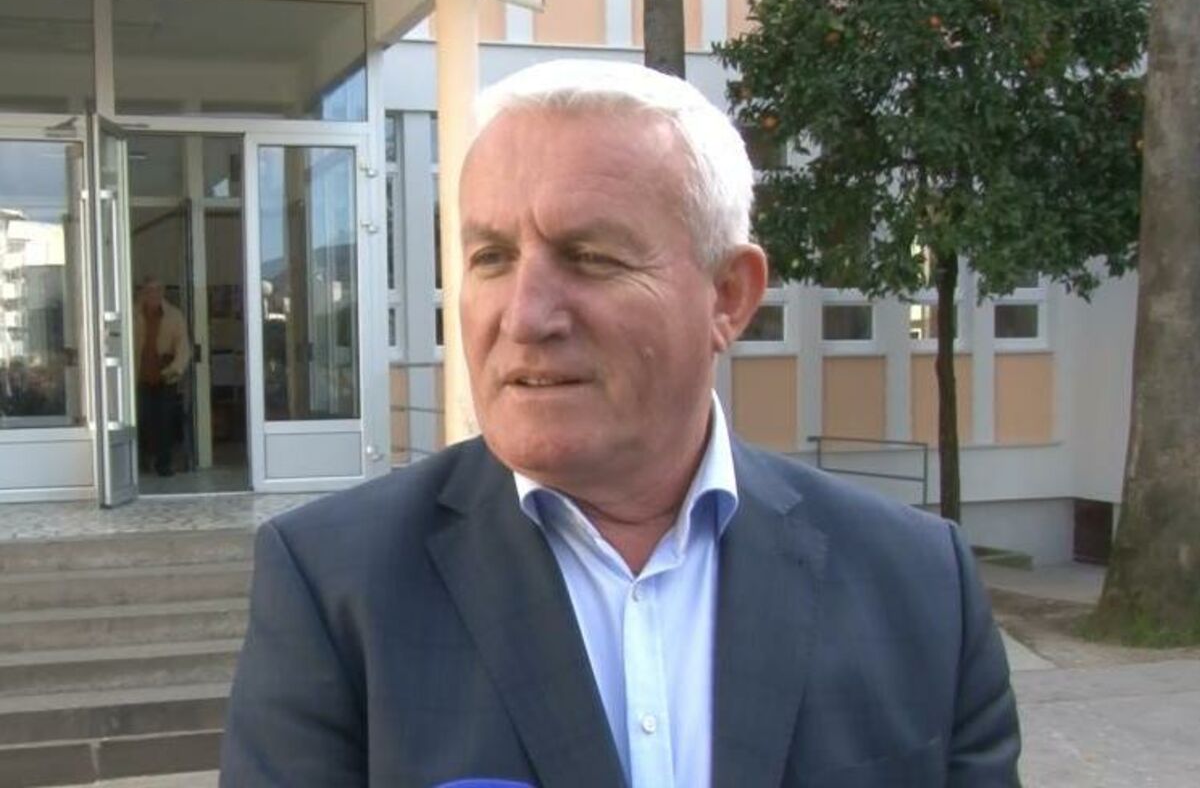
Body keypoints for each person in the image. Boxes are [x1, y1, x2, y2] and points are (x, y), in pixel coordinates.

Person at [221, 60, 1020, 787]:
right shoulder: (335, 586)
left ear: (729, 296)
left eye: (591, 257)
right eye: (491, 258)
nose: (524, 316)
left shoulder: (921, 584)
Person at [134, 276, 189, 476]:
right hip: (139, 375)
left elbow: (183, 347)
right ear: (143, 293)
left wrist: (175, 370)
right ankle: (142, 461)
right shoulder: (133, 314)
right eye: (149, 290)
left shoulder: (174, 316)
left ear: (163, 292)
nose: (153, 294)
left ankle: (163, 464)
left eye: (157, 290)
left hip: (165, 376)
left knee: (165, 422)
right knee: (142, 420)